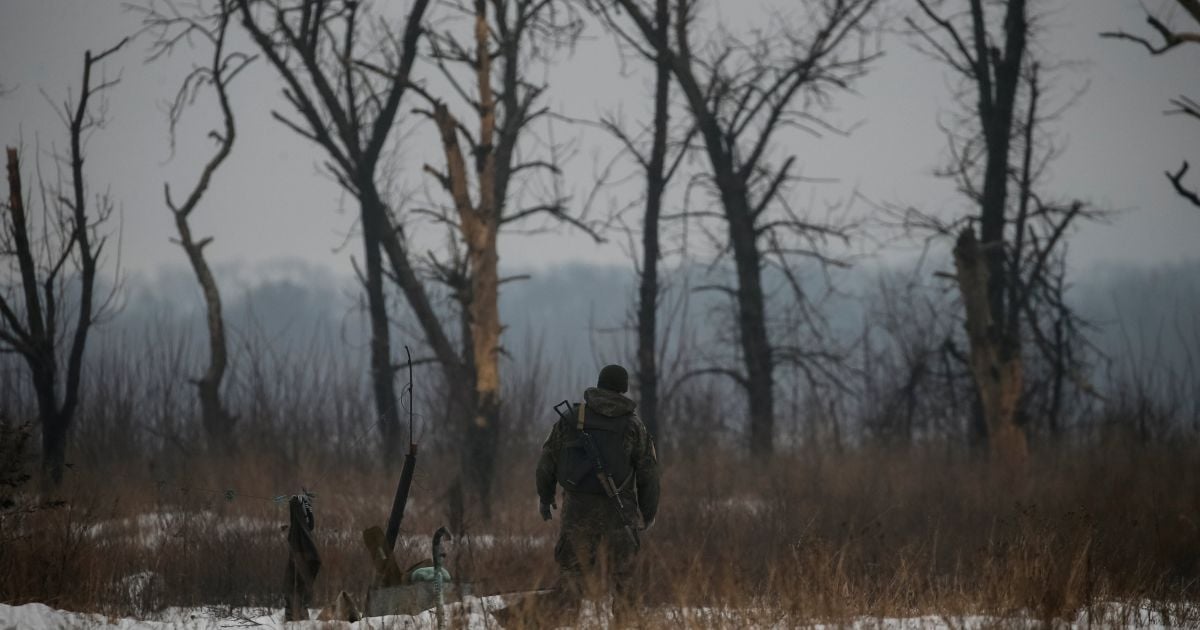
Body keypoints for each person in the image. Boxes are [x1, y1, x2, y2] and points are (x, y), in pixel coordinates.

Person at [535, 364, 660, 609]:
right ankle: (627, 626)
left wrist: (545, 496)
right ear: (623, 388)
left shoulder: (572, 418)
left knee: (572, 574)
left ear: (599, 384)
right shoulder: (634, 426)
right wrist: (648, 512)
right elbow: (649, 473)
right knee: (624, 578)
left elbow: (546, 461)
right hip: (620, 511)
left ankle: (564, 624)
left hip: (578, 509)